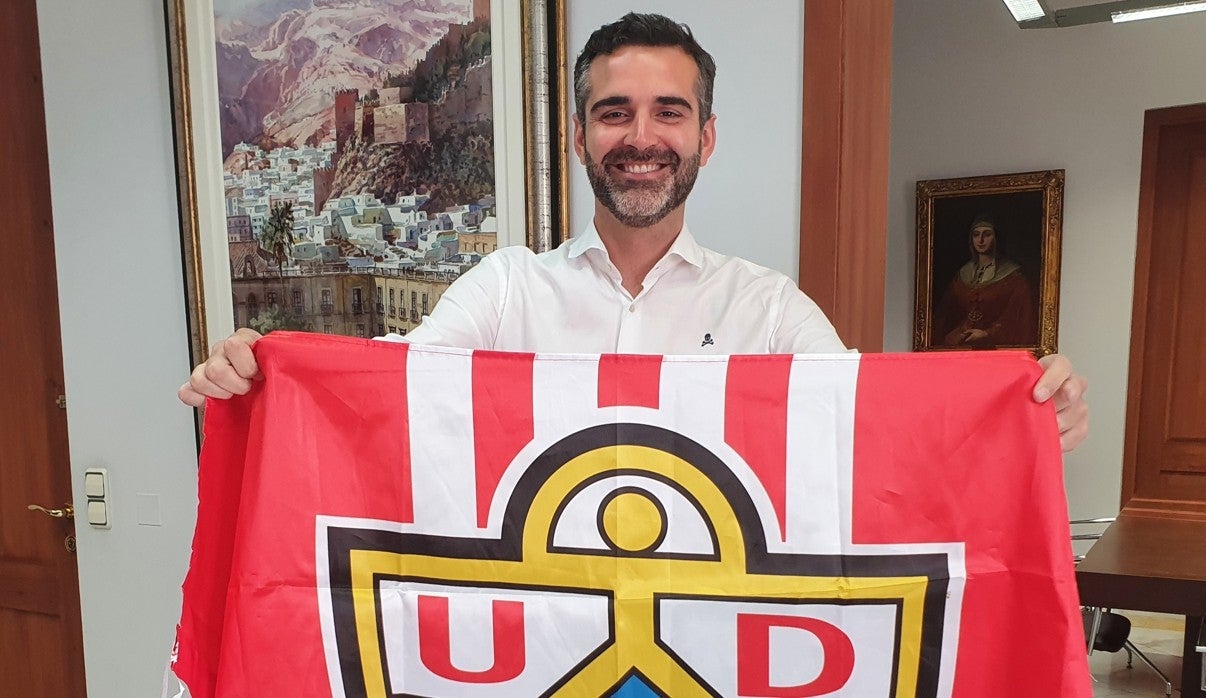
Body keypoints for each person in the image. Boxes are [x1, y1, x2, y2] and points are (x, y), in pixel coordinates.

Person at [179, 13, 1089, 451]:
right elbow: (381, 393)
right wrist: (265, 374)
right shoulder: (504, 293)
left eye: (669, 113)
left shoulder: (768, 312)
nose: (641, 139)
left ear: (706, 137)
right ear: (580, 137)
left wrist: (1016, 421)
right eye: (613, 114)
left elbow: (879, 435)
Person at [934, 214, 1036, 348]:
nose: (980, 240)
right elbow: (945, 313)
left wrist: (987, 334)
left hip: (994, 344)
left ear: (997, 238)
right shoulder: (963, 273)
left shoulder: (1014, 276)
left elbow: (1018, 317)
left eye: (987, 234)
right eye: (976, 235)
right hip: (962, 340)